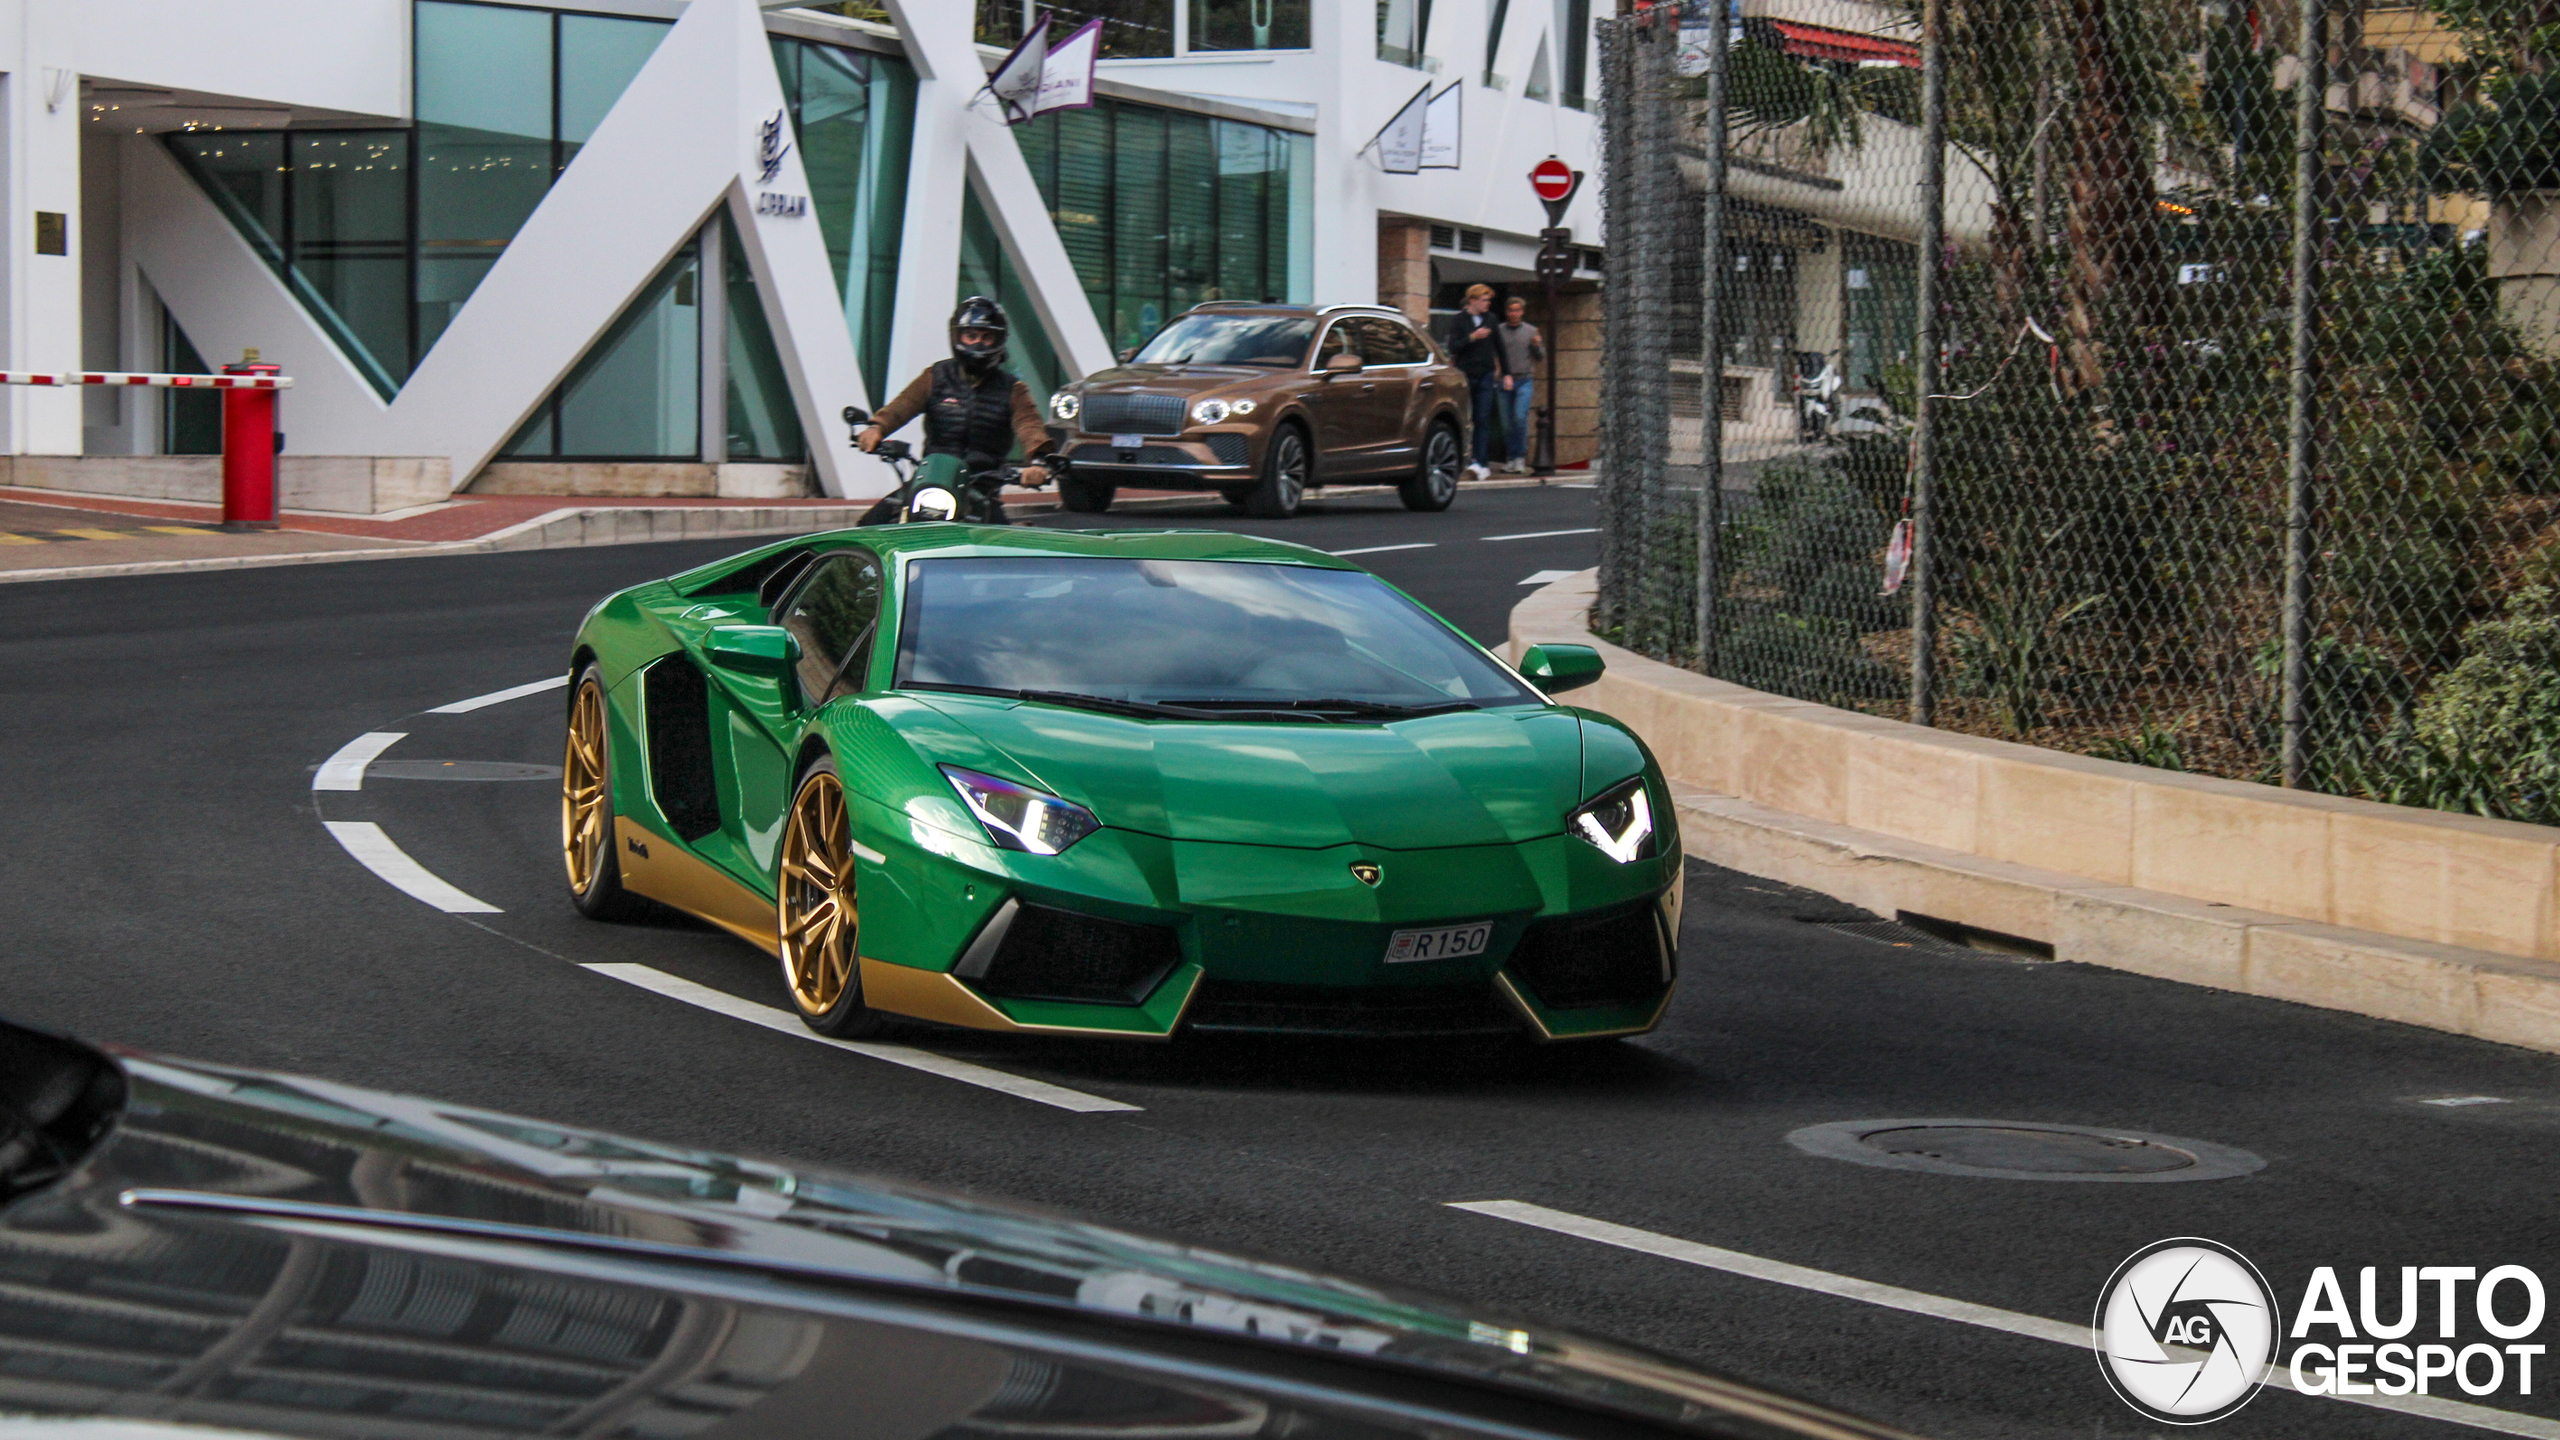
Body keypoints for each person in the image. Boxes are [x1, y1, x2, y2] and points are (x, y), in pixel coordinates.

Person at [857, 296, 1053, 504]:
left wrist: (1038, 462)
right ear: (957, 337)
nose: (978, 343)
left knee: (998, 535)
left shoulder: (1013, 389)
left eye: (986, 337)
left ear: (999, 340)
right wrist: (876, 428)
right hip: (931, 480)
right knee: (871, 524)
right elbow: (901, 407)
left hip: (981, 488)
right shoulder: (936, 376)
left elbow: (1030, 427)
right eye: (971, 335)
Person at [1441, 283, 1502, 482]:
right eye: (1484, 300)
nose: (1488, 304)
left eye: (1489, 300)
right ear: (1473, 300)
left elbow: (1499, 347)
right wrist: (1472, 337)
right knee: (1465, 419)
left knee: (1482, 418)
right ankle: (1463, 459)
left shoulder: (1491, 319)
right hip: (1466, 374)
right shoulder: (1459, 320)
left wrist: (1506, 373)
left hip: (1485, 373)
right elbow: (1453, 347)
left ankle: (1481, 461)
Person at [1493, 296, 1545, 474]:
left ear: (1522, 312)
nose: (1514, 314)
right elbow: (1494, 354)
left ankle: (1520, 457)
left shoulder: (1531, 331)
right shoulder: (1498, 330)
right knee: (1506, 422)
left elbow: (1540, 357)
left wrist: (1537, 346)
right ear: (1506, 312)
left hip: (1524, 379)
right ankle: (1511, 457)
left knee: (1519, 416)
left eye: (1517, 310)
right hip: (1504, 380)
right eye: (1510, 310)